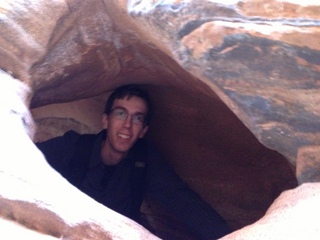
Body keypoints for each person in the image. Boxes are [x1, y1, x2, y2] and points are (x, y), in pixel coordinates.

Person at [36, 84, 232, 240]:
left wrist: (231, 237)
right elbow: (22, 164)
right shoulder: (75, 148)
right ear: (105, 120)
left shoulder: (144, 161)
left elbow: (185, 203)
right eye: (120, 114)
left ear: (143, 131)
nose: (127, 126)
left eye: (137, 119)